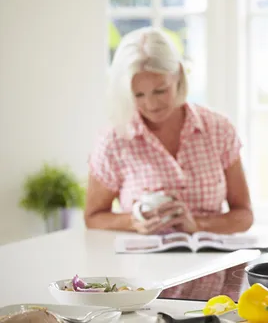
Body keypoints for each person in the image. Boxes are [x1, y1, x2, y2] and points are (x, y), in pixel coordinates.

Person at [84, 27, 253, 235]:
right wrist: (133, 221)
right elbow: (93, 217)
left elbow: (244, 215)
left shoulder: (218, 129)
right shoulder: (114, 140)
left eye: (160, 90)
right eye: (138, 95)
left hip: (209, 261)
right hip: (143, 263)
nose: (151, 104)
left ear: (179, 76)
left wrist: (197, 225)